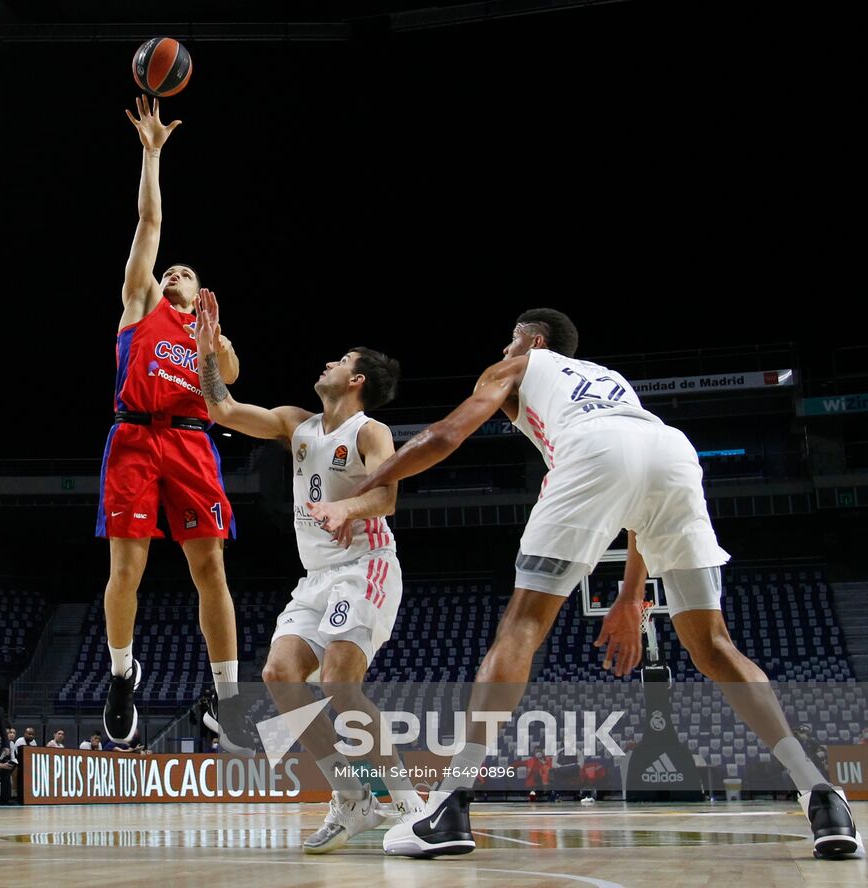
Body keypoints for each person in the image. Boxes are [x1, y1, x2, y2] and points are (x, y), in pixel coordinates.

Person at [316, 309, 861, 860]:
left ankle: (451, 805)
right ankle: (821, 792)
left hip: (592, 453)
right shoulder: (610, 381)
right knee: (715, 646)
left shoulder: (519, 365)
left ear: (533, 339)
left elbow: (444, 434)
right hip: (672, 452)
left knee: (522, 626)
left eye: (509, 341)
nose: (504, 351)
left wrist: (361, 487)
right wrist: (630, 595)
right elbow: (637, 491)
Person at [193, 292, 421, 852]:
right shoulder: (298, 425)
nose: (328, 363)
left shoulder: (369, 432)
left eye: (340, 359)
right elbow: (221, 409)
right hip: (315, 576)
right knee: (279, 675)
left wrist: (347, 507)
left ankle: (408, 799)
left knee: (341, 680)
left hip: (365, 565)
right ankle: (352, 797)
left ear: (358, 379)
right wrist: (204, 351)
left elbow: (388, 494)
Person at [98, 95, 244, 750]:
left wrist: (215, 345)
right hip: (133, 438)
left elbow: (227, 390)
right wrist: (151, 153)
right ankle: (123, 674)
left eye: (188, 271)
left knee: (209, 569)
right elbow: (150, 220)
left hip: (190, 443)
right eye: (171, 269)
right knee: (126, 571)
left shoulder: (206, 335)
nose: (175, 270)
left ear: (200, 291)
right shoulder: (140, 302)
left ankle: (228, 696)